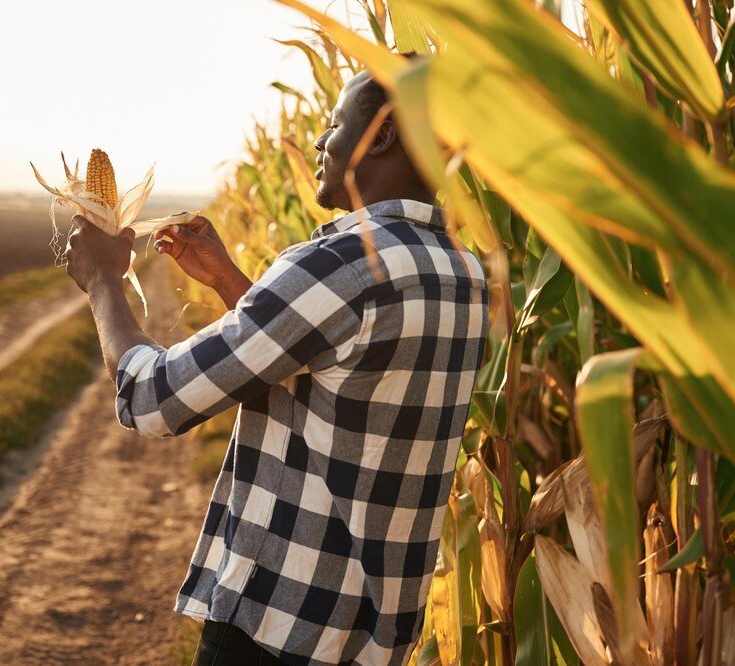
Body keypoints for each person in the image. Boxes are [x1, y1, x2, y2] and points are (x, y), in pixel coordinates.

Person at [63, 65, 489, 665]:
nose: (320, 142)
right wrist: (230, 282)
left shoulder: (343, 263)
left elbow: (154, 399)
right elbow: (337, 373)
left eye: (337, 124)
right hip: (371, 638)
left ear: (385, 136)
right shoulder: (460, 274)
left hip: (279, 628)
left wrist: (103, 279)